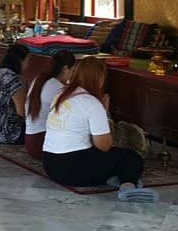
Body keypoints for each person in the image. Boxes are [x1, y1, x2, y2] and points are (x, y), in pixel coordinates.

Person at [42, 58, 158, 202]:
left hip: (50, 164)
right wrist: (105, 113)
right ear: (99, 79)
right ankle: (127, 186)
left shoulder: (61, 94)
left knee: (111, 158)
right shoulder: (91, 102)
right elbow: (104, 146)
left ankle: (114, 177)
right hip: (72, 170)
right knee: (131, 158)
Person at [24, 50, 76, 159]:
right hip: (41, 143)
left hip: (30, 140)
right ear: (65, 69)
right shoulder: (56, 86)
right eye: (72, 71)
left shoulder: (39, 79)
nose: (71, 76)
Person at [0, 44, 29, 144]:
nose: (28, 65)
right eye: (27, 61)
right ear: (20, 61)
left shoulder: (0, 73)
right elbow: (22, 112)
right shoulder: (13, 80)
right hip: (10, 134)